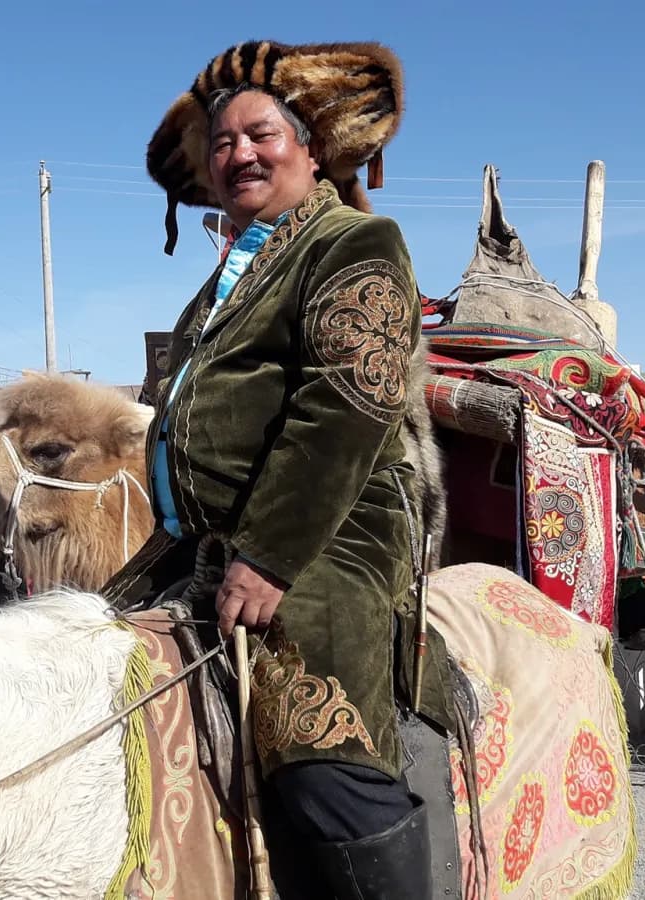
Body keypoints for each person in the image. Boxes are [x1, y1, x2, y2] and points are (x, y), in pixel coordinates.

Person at [103, 42, 447, 897]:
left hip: (334, 531)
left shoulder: (356, 240)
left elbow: (346, 404)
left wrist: (271, 555)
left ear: (309, 147)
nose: (239, 155)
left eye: (261, 135)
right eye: (221, 144)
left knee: (318, 755)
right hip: (204, 543)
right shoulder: (230, 275)